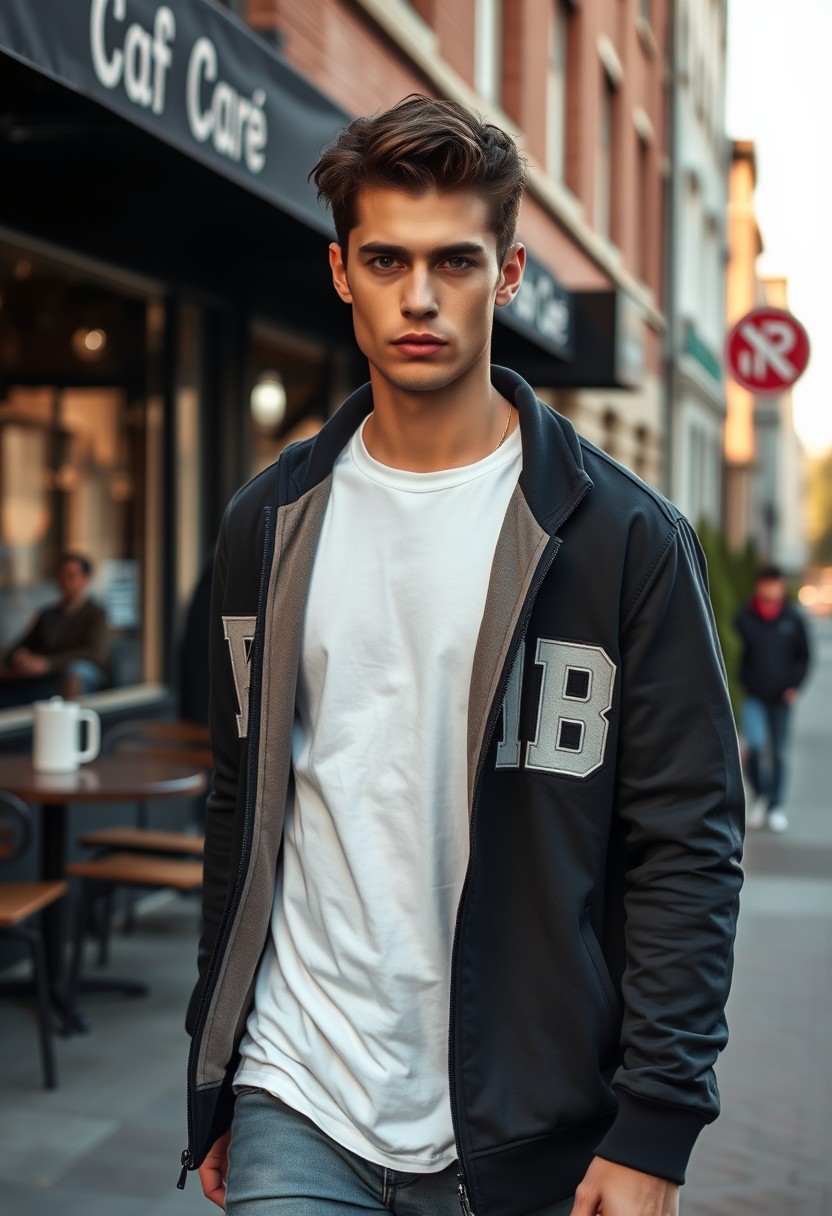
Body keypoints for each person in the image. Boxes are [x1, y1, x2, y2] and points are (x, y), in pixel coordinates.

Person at [181, 97, 744, 1216]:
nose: (421, 297)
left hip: (524, 1120)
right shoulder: (268, 520)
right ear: (342, 272)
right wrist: (217, 1072)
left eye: (456, 261)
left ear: (511, 271)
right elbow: (242, 799)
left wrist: (654, 1129)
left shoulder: (622, 539)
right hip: (299, 1091)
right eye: (387, 259)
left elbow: (687, 841)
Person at [735, 563, 811, 833]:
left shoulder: (792, 618)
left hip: (782, 698)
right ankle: (761, 797)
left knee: (778, 753)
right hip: (754, 695)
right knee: (754, 748)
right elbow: (733, 651)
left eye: (774, 583)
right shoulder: (744, 617)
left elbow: (804, 656)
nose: (770, 589)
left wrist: (795, 686)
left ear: (781, 586)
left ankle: (776, 806)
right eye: (765, 583)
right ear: (759, 585)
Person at [0, 551, 110, 707]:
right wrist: (19, 656)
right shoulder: (48, 614)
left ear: (86, 579)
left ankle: (71, 721)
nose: (64, 581)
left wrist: (48, 663)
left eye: (71, 576)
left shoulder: (97, 614)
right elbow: (22, 644)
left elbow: (94, 653)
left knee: (76, 670)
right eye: (61, 576)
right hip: (45, 672)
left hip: (77, 672)